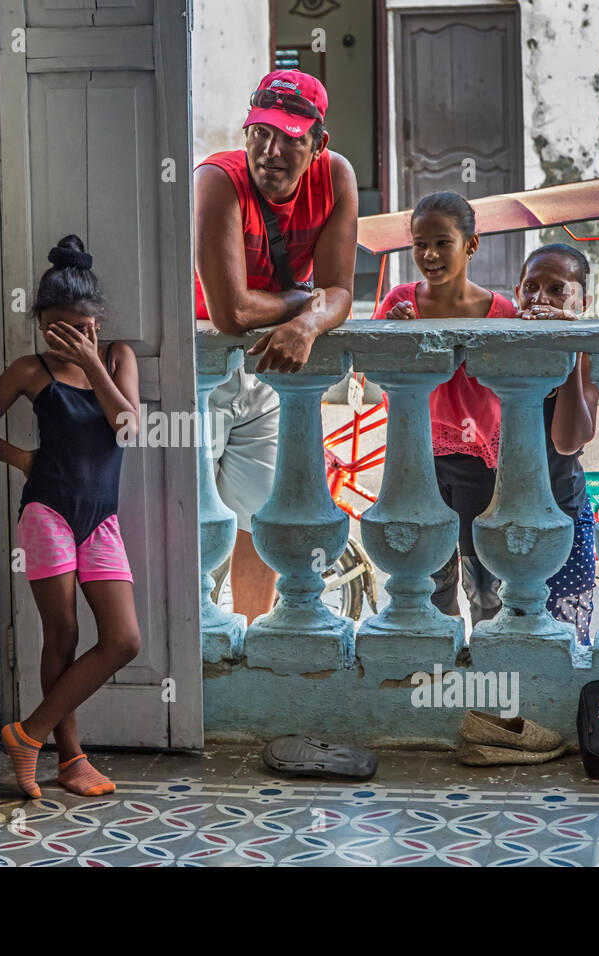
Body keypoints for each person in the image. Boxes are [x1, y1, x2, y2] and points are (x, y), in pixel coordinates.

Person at [0, 236, 142, 799]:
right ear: (39, 323)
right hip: (47, 511)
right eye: (54, 330)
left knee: (124, 640)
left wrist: (92, 362)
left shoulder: (117, 359)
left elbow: (129, 427)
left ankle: (27, 732)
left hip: (101, 519)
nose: (65, 341)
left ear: (97, 322)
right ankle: (69, 758)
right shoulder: (28, 370)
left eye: (78, 330)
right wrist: (20, 458)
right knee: (60, 632)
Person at [194, 69, 358, 623]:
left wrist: (309, 324)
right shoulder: (217, 180)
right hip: (201, 375)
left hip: (271, 374)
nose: (271, 150)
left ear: (318, 142)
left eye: (290, 136)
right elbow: (232, 312)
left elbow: (342, 293)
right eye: (260, 132)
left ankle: (243, 642)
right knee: (186, 524)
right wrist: (306, 302)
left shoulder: (336, 178)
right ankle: (190, 655)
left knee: (256, 521)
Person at [372, 191, 517, 625]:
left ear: (471, 245)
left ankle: (489, 663)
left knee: (485, 580)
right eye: (419, 244)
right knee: (432, 574)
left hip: (481, 461)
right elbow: (382, 377)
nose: (429, 254)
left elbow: (516, 389)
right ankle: (442, 663)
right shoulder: (401, 304)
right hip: (420, 457)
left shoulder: (501, 313)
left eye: (442, 242)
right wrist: (397, 337)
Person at [516, 244, 599, 642]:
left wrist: (568, 347)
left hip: (563, 514)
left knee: (565, 641)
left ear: (582, 301)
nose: (540, 299)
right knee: (507, 636)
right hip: (503, 518)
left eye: (556, 288)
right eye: (531, 287)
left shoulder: (587, 355)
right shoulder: (503, 346)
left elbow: (568, 441)